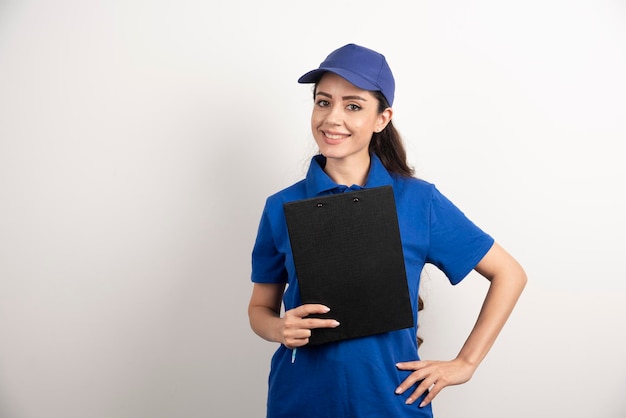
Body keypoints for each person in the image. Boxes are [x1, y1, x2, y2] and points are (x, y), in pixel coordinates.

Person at [248, 43, 527, 418]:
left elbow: (509, 273)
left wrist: (465, 363)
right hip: (301, 401)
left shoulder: (418, 201)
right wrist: (279, 328)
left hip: (392, 402)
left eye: (353, 106)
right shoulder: (280, 207)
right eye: (323, 102)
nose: (332, 118)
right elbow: (259, 309)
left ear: (382, 118)